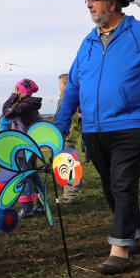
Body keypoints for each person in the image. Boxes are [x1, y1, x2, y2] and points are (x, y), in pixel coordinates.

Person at [53, 0, 140, 275]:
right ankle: (137, 234)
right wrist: (60, 124)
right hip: (94, 129)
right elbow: (73, 86)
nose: (88, 5)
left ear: (112, 4)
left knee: (123, 183)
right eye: (88, 1)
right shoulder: (87, 42)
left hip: (131, 123)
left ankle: (120, 249)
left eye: (94, 0)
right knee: (112, 186)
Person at [2, 79, 44, 218]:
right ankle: (41, 205)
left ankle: (27, 210)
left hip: (23, 149)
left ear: (22, 91)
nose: (15, 91)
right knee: (33, 174)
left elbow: (6, 112)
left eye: (17, 89)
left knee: (25, 176)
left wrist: (12, 96)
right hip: (30, 148)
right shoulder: (30, 105)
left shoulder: (23, 106)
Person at [55, 73, 83, 205]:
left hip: (66, 136)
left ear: (65, 85)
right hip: (69, 135)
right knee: (64, 165)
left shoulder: (66, 99)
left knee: (67, 166)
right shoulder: (69, 97)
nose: (58, 86)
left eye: (59, 84)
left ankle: (72, 195)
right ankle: (67, 194)